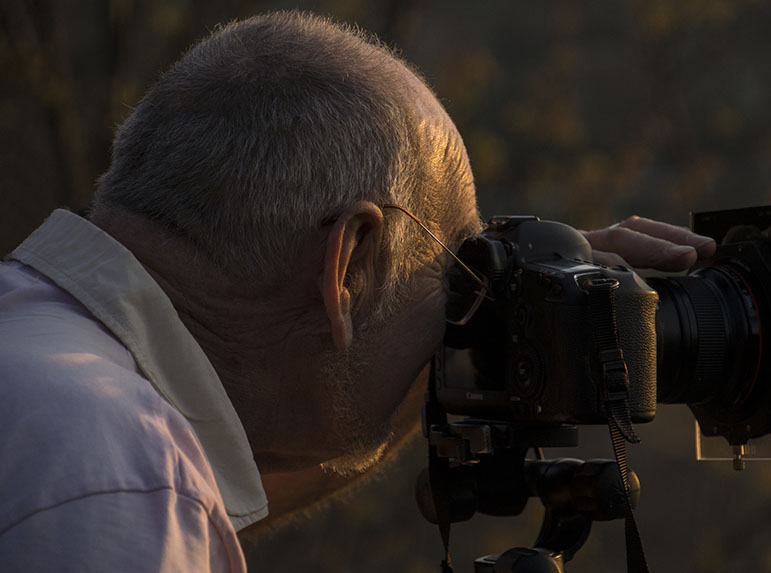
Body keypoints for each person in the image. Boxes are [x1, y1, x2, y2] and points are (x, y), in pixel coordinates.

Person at [0, 11, 716, 572]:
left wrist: (478, 325)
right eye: (452, 281)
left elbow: (219, 481)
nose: (459, 319)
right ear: (349, 268)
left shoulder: (46, 367)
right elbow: (153, 494)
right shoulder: (125, 479)